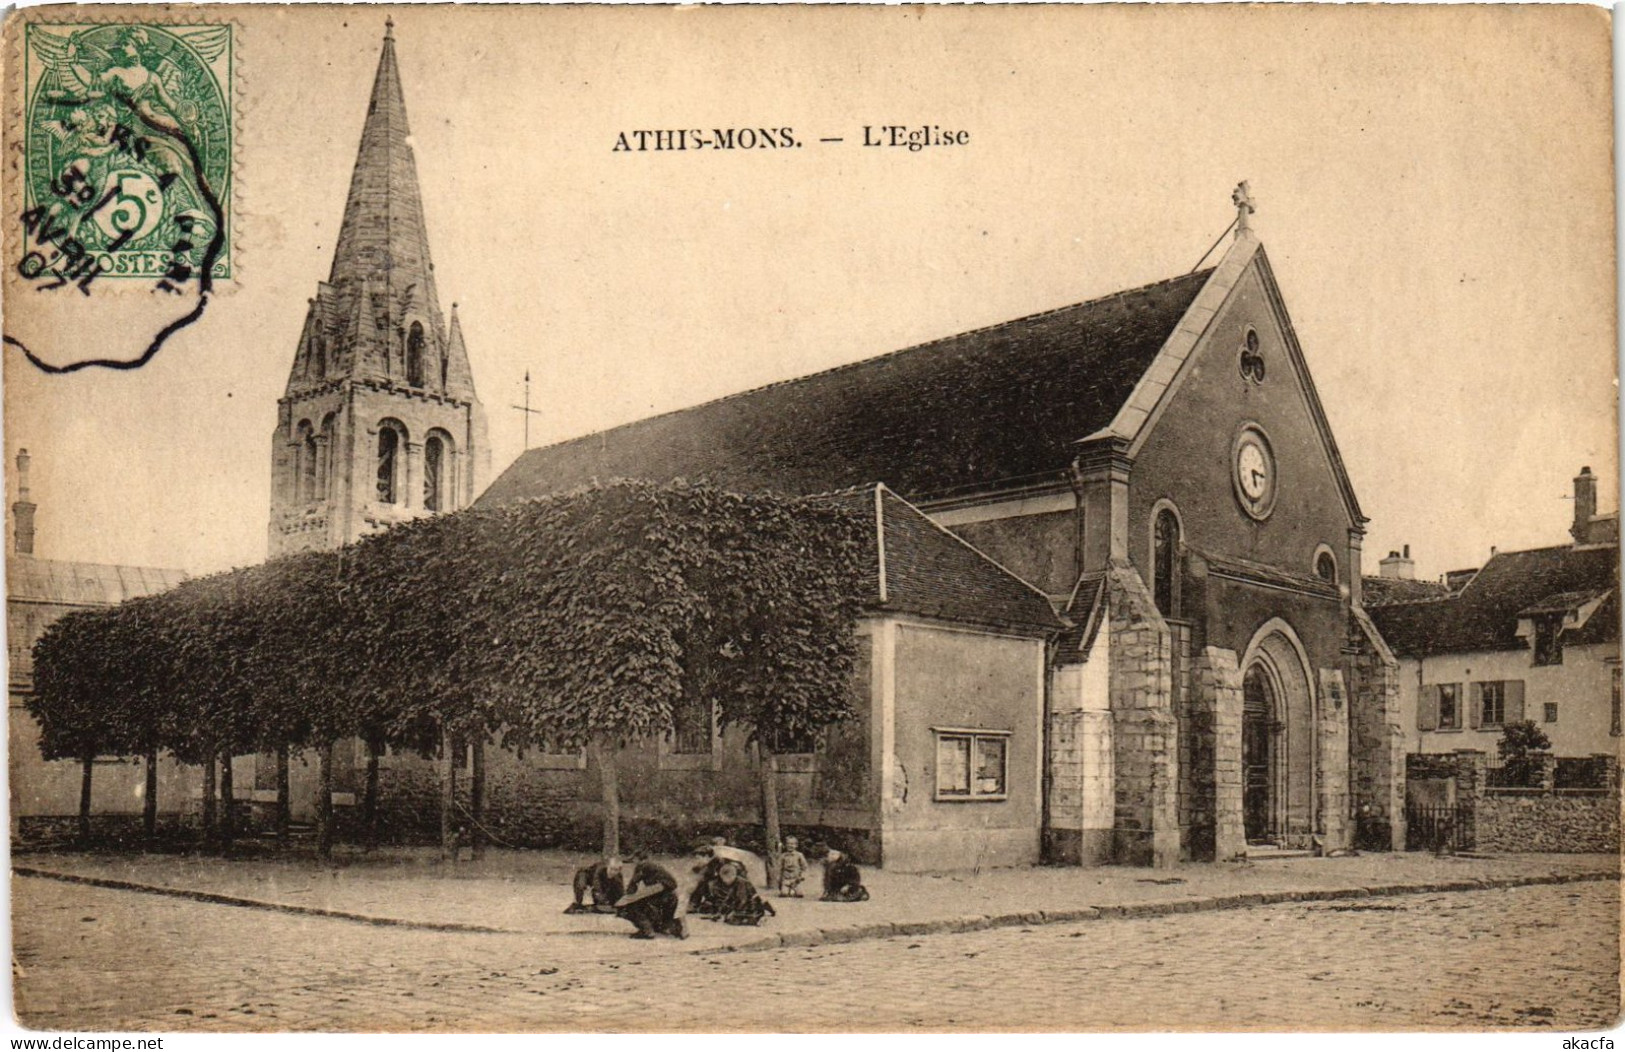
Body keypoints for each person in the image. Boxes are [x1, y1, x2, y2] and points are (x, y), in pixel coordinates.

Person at [615, 855, 687, 940]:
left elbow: (633, 883)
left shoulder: (643, 865)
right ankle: (674, 930)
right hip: (672, 895)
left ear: (637, 859)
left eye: (634, 861)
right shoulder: (657, 867)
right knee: (664, 911)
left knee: (632, 907)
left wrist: (624, 899)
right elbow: (673, 883)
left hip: (660, 892)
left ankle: (647, 931)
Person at [711, 860, 776, 926]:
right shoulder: (734, 884)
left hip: (752, 905)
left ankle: (759, 919)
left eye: (726, 879)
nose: (724, 881)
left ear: (733, 876)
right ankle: (763, 909)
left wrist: (733, 912)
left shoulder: (741, 883)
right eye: (723, 879)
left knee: (733, 920)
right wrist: (720, 911)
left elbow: (742, 901)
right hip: (747, 904)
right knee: (730, 918)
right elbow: (728, 899)